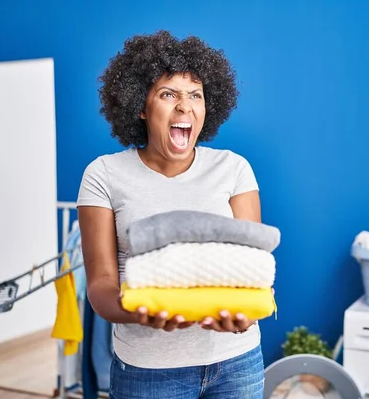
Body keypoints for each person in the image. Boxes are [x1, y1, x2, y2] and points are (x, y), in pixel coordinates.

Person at [77, 30, 265, 398]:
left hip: (237, 364)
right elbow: (100, 285)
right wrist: (140, 311)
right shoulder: (103, 175)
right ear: (141, 106)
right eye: (168, 94)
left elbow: (251, 270)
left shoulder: (233, 169)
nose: (185, 107)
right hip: (149, 372)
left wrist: (248, 311)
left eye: (195, 95)